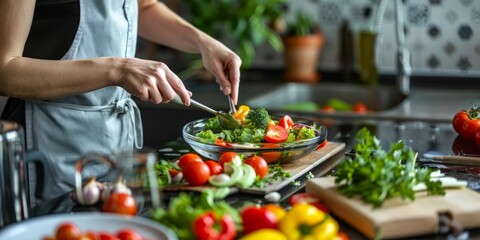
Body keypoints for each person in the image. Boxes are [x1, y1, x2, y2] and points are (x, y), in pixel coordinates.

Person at [0, 0, 241, 205]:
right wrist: (117, 69)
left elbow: (143, 7)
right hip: (50, 147)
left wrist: (203, 43)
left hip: (116, 142)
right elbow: (5, 71)